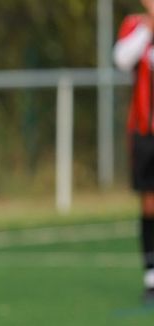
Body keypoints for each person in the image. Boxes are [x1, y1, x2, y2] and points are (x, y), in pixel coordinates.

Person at [114, 0, 154, 302]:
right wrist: (149, 26)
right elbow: (122, 59)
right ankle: (151, 275)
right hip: (144, 132)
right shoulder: (135, 25)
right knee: (149, 204)